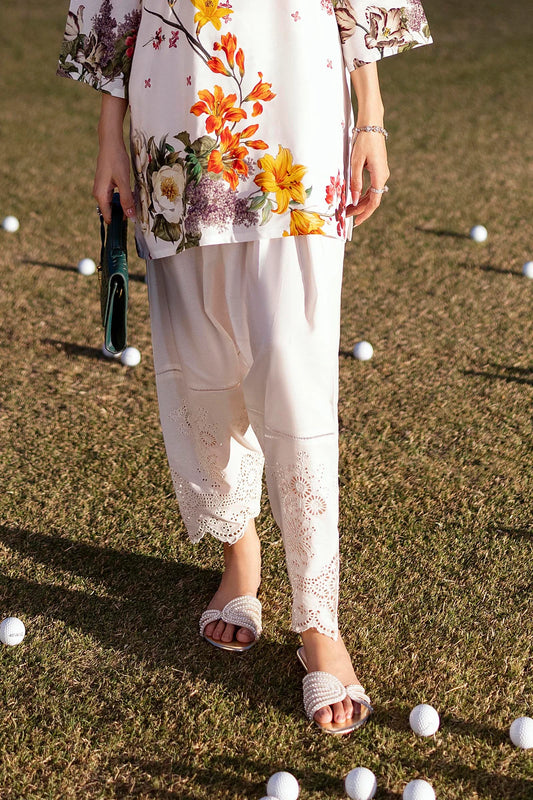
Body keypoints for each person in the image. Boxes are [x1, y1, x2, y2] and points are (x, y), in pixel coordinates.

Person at [58, 0, 432, 735]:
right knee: (202, 359)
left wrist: (372, 117)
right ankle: (240, 551)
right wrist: (108, 134)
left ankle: (318, 621)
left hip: (298, 108)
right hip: (174, 118)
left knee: (293, 369)